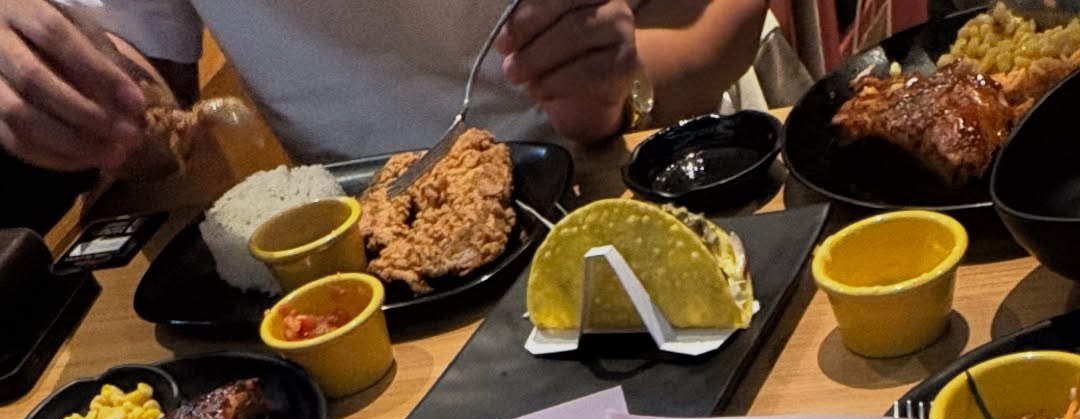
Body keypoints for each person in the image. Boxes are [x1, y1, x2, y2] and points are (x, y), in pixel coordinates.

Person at [0, 0, 769, 174]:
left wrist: (625, 87)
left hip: (636, 162)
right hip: (357, 244)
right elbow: (151, 80)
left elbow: (716, 17)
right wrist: (60, 89)